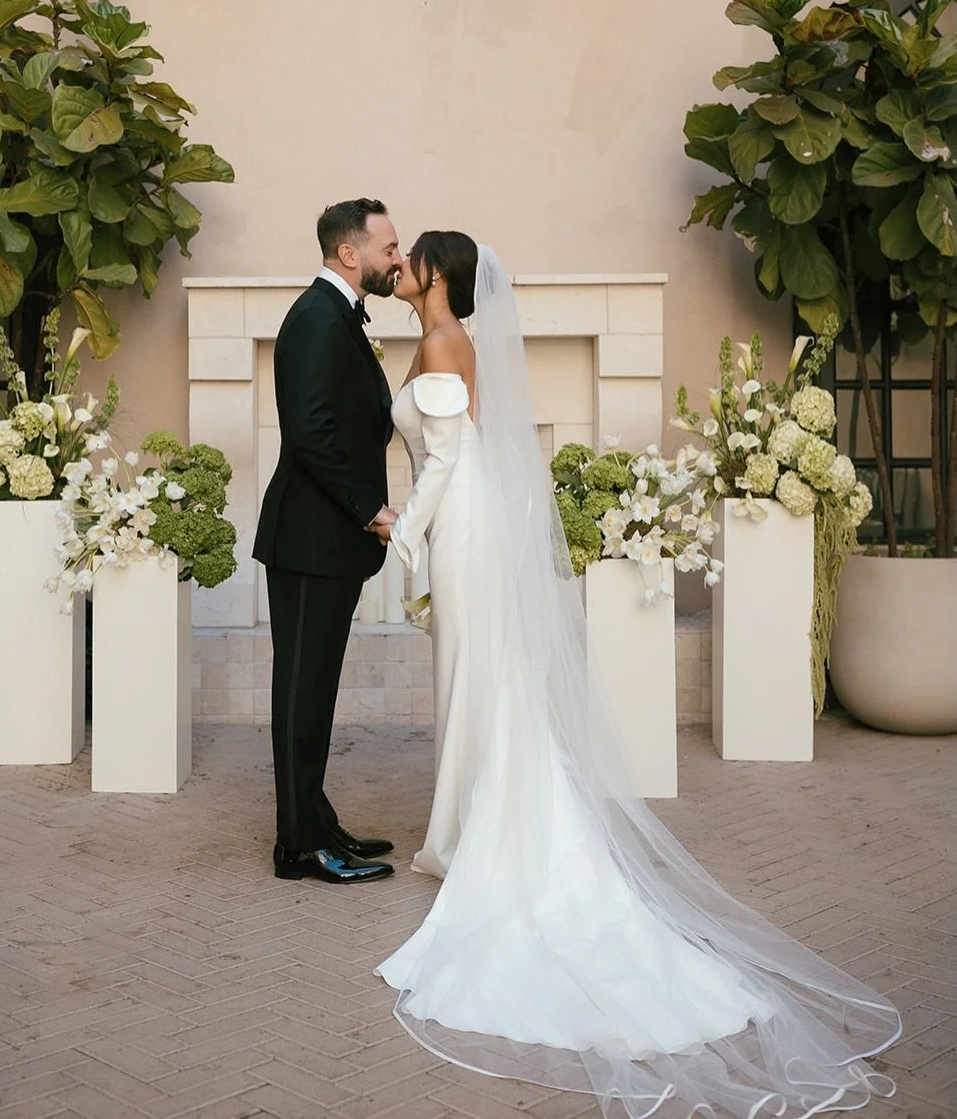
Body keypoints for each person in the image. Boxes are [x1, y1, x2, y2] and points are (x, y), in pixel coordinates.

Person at [376, 234, 901, 1116]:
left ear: (434, 276)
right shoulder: (454, 341)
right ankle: (466, 826)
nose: (402, 266)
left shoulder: (436, 344)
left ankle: (470, 837)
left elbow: (445, 464)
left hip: (460, 525)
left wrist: (405, 539)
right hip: (477, 524)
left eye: (412, 257)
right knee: (484, 677)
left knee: (474, 676)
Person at [253, 198, 403, 885]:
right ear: (350, 253)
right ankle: (299, 846)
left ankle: (316, 820)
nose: (396, 258)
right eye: (388, 246)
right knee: (302, 692)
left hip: (325, 542)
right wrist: (368, 507)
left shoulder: (335, 314)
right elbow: (310, 433)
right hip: (311, 539)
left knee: (313, 689)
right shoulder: (315, 318)